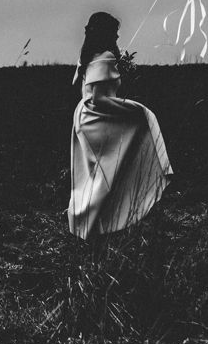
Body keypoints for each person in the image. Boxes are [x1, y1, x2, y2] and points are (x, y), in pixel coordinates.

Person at [69, 12, 172, 240]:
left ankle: (89, 225)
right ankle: (97, 225)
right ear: (107, 33)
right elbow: (100, 98)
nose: (117, 35)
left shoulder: (88, 55)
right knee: (107, 173)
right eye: (114, 31)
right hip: (97, 117)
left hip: (85, 117)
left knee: (96, 175)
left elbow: (83, 89)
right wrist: (135, 109)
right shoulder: (105, 56)